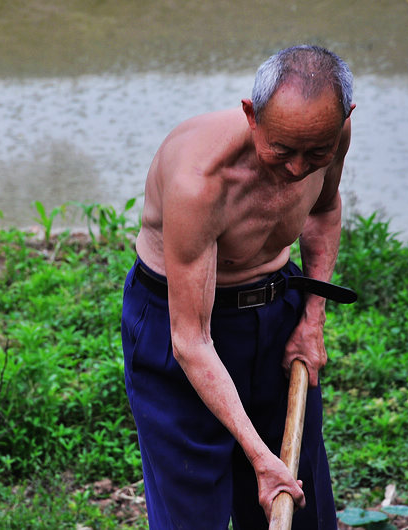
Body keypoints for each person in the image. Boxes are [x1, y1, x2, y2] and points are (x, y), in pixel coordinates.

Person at [121, 45, 356, 529]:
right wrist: (259, 458)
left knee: (301, 505)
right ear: (251, 115)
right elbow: (191, 341)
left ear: (344, 120)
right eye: (283, 150)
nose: (297, 169)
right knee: (192, 511)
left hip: (278, 311)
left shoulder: (332, 135)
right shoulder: (200, 181)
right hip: (181, 327)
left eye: (316, 152)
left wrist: (312, 320)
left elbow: (325, 209)